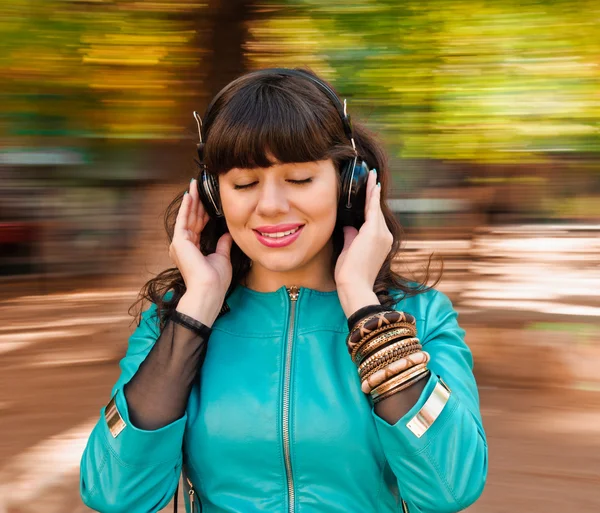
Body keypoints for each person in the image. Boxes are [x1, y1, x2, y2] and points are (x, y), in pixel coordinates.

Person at [79, 68, 487, 513]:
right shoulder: (172, 325)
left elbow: (452, 486)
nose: (271, 205)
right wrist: (195, 312)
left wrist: (364, 309)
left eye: (299, 179)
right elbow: (115, 494)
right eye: (245, 183)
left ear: (347, 185)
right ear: (215, 196)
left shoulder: (421, 315)